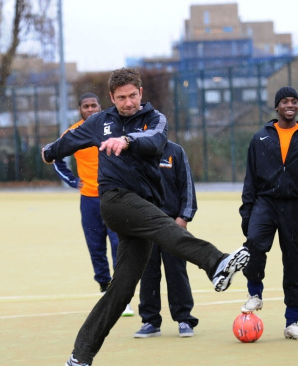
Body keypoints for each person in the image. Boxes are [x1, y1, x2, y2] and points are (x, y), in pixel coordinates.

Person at [41, 67, 249, 366]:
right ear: (111, 98)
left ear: (141, 93)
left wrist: (126, 141)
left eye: (133, 96)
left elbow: (154, 141)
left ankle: (79, 356)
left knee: (121, 290)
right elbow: (70, 140)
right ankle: (216, 262)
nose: (128, 102)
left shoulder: (155, 119)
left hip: (141, 205)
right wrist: (49, 152)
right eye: (121, 97)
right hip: (114, 199)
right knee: (165, 227)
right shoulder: (100, 121)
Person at [239, 86, 298, 340]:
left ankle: (292, 322)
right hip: (265, 203)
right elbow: (250, 179)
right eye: (285, 101)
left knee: (294, 263)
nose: (290, 105)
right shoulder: (260, 138)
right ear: (276, 107)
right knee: (253, 245)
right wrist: (247, 212)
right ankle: (255, 294)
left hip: (297, 207)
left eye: (294, 101)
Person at [53, 93, 133, 317]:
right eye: (86, 106)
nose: (90, 109)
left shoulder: (114, 128)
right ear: (80, 109)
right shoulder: (73, 133)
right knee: (95, 246)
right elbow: (56, 157)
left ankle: (121, 297)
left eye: (94, 105)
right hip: (89, 198)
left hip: (115, 196)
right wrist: (71, 179)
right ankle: (104, 286)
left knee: (119, 244)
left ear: (100, 107)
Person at [134, 140, 199, 338]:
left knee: (176, 271)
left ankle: (184, 318)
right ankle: (150, 321)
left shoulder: (175, 151)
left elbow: (187, 184)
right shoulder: (135, 151)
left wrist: (184, 216)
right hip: (146, 223)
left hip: (172, 223)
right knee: (148, 273)